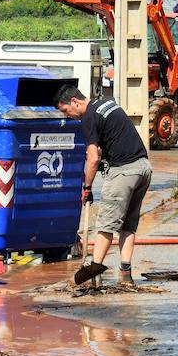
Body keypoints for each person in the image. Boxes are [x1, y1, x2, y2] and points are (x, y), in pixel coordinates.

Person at [55, 85, 152, 286]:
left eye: (66, 111)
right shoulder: (106, 103)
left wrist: (87, 187)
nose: (68, 116)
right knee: (128, 225)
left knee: (105, 226)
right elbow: (110, 139)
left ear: (75, 102)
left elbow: (92, 159)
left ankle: (90, 273)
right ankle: (126, 275)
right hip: (143, 168)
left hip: (123, 172)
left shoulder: (88, 117)